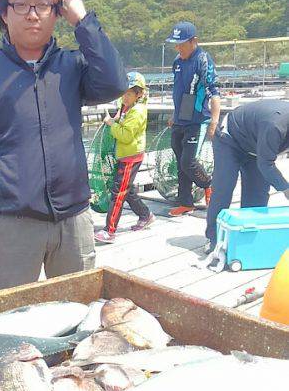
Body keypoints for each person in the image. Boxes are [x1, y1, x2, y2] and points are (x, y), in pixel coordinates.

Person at [0, 0, 127, 291]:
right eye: (22, 5)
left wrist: (83, 19)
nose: (33, 13)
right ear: (4, 13)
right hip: (15, 222)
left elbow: (114, 83)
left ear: (56, 12)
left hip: (74, 220)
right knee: (6, 318)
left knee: (79, 309)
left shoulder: (72, 66)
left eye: (43, 4)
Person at [206, 99, 289, 251]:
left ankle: (249, 237)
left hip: (255, 145)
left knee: (258, 193)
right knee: (224, 188)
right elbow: (266, 165)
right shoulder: (275, 126)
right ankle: (214, 238)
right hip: (229, 138)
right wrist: (285, 188)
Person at [165, 21, 221, 217]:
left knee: (188, 161)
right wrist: (174, 114)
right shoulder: (177, 62)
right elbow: (178, 90)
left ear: (193, 41)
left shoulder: (203, 59)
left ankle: (209, 186)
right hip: (180, 117)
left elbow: (213, 91)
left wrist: (214, 121)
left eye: (181, 43)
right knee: (180, 161)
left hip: (196, 118)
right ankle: (186, 202)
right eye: (176, 44)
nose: (178, 47)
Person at [94, 71, 154, 243]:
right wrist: (115, 120)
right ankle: (146, 215)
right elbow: (120, 123)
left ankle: (109, 230)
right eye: (123, 93)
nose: (125, 97)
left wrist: (112, 124)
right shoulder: (125, 106)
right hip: (124, 155)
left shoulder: (138, 111)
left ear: (139, 93)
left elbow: (126, 136)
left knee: (118, 193)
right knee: (126, 190)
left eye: (129, 93)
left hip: (130, 157)